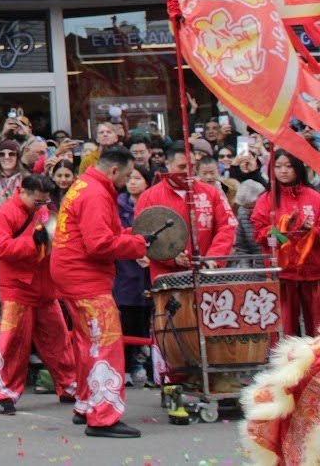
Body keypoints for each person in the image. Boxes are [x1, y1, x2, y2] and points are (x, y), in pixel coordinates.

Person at [51, 147, 149, 438]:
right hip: (85, 277)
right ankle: (103, 416)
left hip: (72, 273)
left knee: (88, 342)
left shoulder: (85, 185)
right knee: (106, 342)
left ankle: (85, 403)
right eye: (127, 176)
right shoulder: (95, 193)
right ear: (114, 170)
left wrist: (132, 236)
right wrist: (138, 244)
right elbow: (99, 244)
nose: (127, 182)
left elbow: (101, 235)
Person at [0, 173, 76, 414]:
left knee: (58, 339)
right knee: (13, 342)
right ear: (23, 192)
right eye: (38, 201)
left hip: (45, 286)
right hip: (17, 287)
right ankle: (2, 393)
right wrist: (33, 243)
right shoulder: (3, 214)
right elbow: (0, 249)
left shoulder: (43, 211)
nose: (42, 205)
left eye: (45, 201)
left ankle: (70, 384)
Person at [134, 143, 236, 283]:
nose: (188, 171)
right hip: (167, 278)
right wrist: (170, 257)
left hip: (208, 274)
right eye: (182, 167)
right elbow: (141, 235)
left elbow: (226, 227)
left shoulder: (210, 192)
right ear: (168, 164)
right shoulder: (149, 196)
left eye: (192, 166)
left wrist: (214, 258)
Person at [250, 148, 320, 336]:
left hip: (313, 272)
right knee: (285, 329)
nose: (283, 171)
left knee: (317, 327)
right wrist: (282, 230)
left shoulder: (314, 197)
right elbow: (259, 234)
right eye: (278, 166)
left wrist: (310, 231)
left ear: (298, 168)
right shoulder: (266, 199)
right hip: (281, 273)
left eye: (289, 166)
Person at [116, 167, 153, 387]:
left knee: (146, 319)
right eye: (129, 178)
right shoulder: (117, 206)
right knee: (127, 318)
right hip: (125, 268)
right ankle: (126, 367)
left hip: (149, 266)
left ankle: (148, 367)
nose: (132, 182)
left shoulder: (153, 204)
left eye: (138, 178)